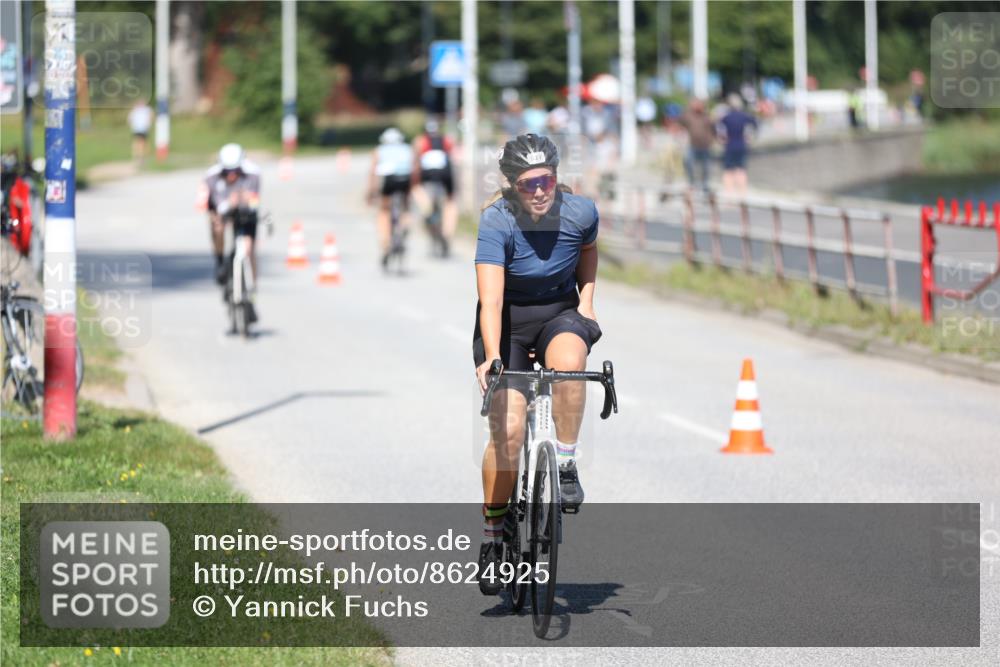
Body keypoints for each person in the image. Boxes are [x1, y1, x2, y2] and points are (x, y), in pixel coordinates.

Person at [473, 134, 603, 595]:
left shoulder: (580, 212)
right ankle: (493, 535)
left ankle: (565, 462)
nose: (540, 190)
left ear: (556, 175)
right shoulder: (496, 221)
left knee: (571, 362)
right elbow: (490, 301)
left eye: (546, 179)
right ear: (511, 185)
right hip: (507, 321)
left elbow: (587, 252)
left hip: (559, 314)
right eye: (528, 184)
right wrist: (492, 357)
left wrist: (586, 303)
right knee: (507, 430)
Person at [203, 143, 261, 320]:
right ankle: (220, 261)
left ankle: (251, 292)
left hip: (245, 212)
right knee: (218, 226)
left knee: (249, 248)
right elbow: (218, 205)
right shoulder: (212, 177)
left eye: (235, 171)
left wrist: (246, 201)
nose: (232, 175)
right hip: (222, 209)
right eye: (227, 171)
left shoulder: (253, 174)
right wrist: (231, 202)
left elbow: (254, 202)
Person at [368, 127, 414, 269]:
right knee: (405, 207)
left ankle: (386, 243)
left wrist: (371, 192)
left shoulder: (379, 150)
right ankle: (405, 225)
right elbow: (415, 168)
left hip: (388, 180)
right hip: (405, 179)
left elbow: (373, 172)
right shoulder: (408, 149)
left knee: (384, 211)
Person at [411, 119, 457, 257]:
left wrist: (414, 182)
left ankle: (428, 211)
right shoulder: (447, 140)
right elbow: (453, 159)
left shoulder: (419, 141)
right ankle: (447, 233)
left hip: (427, 176)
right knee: (450, 203)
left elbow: (415, 163)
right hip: (445, 175)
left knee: (417, 191)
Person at [717, 93, 758, 195]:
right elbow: (755, 124)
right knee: (741, 169)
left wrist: (721, 139)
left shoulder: (726, 117)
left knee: (728, 171)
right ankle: (742, 193)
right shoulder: (744, 116)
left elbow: (717, 128)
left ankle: (729, 193)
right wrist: (751, 137)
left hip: (730, 145)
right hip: (741, 144)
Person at [679, 98, 715, 191]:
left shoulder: (706, 116)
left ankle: (705, 183)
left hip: (705, 145)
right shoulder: (689, 116)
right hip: (693, 144)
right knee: (688, 162)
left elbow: (713, 127)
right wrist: (688, 107)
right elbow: (681, 120)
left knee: (706, 166)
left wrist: (712, 139)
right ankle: (691, 182)